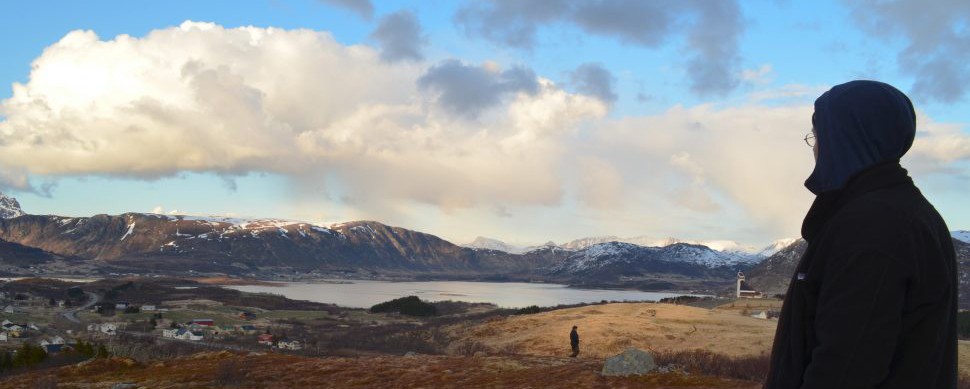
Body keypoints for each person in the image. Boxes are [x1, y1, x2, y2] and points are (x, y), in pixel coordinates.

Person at [764, 80, 957, 388]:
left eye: (819, 135)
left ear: (845, 139)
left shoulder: (874, 226)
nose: (815, 148)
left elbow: (845, 367)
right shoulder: (907, 212)